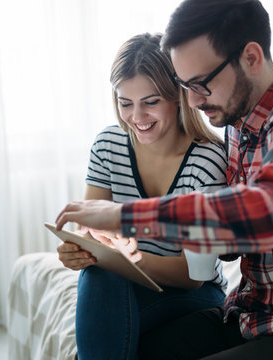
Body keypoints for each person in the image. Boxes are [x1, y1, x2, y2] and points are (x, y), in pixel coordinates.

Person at [55, 1, 273, 359]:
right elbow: (234, 244)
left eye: (201, 83)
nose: (193, 100)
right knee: (126, 349)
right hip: (250, 317)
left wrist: (122, 217)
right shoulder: (239, 129)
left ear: (252, 58)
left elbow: (268, 217)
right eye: (185, 85)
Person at [56, 33, 231, 360]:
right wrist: (79, 253)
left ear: (177, 97)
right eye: (125, 103)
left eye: (150, 102)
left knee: (104, 279)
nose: (136, 117)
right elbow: (93, 233)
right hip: (127, 283)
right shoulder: (109, 145)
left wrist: (118, 259)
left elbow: (194, 276)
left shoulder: (206, 161)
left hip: (194, 292)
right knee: (98, 277)